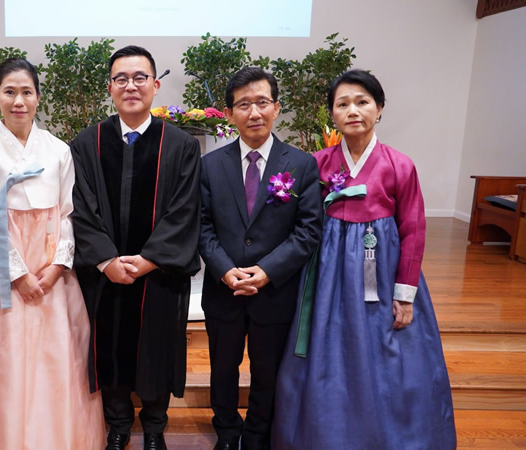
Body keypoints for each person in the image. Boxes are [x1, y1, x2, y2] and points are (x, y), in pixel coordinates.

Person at [272, 69, 457, 449]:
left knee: (390, 354)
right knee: (326, 352)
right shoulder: (316, 164)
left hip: (381, 271)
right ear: (332, 114)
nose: (353, 111)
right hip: (327, 275)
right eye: (342, 104)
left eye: (362, 102)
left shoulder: (400, 165)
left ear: (379, 108)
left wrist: (404, 294)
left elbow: (414, 230)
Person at [0, 58, 106, 449]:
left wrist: (58, 263)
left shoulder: (58, 149)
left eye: (26, 92)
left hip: (49, 263)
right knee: (2, 351)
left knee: (54, 352)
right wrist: (16, 272)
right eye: (10, 92)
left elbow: (68, 211)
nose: (19, 101)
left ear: (38, 97)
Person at [71, 45, 201, 450]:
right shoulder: (87, 143)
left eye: (140, 78)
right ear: (110, 87)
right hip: (105, 276)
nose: (131, 86)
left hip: (158, 274)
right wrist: (106, 260)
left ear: (155, 85)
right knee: (109, 345)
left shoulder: (180, 145)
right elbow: (79, 207)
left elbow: (185, 210)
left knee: (157, 348)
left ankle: (155, 428)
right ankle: (118, 425)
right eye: (121, 79)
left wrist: (149, 260)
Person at [197, 67, 321, 450]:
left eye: (262, 102)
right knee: (222, 370)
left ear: (276, 107)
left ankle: (257, 436)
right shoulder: (210, 165)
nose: (254, 112)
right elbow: (201, 227)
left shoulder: (301, 164)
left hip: (274, 292)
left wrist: (267, 271)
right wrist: (224, 270)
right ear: (229, 113)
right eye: (244, 104)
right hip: (224, 290)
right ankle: (227, 433)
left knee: (268, 372)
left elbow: (308, 231)